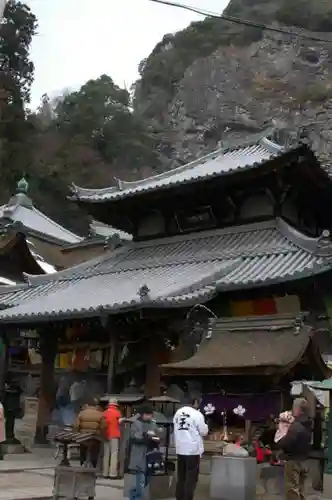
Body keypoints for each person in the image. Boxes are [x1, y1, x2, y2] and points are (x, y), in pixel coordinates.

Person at [173, 397, 209, 500]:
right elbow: (203, 431)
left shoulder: (178, 413)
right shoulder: (197, 414)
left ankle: (179, 497)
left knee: (181, 477)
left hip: (180, 448)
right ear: (196, 403)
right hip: (192, 449)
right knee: (191, 478)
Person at [278, 398, 312, 500]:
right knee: (302, 490)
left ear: (297, 409)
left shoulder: (296, 426)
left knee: (292, 489)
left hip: (294, 461)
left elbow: (287, 443)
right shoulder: (309, 425)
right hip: (305, 460)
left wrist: (280, 442)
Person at [128, 404, 160, 500]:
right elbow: (133, 437)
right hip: (139, 453)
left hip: (150, 453)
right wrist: (144, 435)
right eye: (147, 414)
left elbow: (158, 435)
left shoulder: (153, 424)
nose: (149, 416)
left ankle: (134, 495)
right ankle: (136, 497)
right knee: (140, 477)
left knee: (147, 478)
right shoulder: (136, 423)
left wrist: (156, 439)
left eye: (150, 414)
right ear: (142, 414)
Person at [74, 397, 106, 469]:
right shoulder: (100, 414)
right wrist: (101, 435)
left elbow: (76, 425)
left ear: (87, 405)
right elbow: (103, 426)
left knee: (83, 451)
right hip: (95, 437)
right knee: (94, 453)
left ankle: (82, 465)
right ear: (96, 405)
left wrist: (78, 434)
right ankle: (93, 468)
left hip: (83, 437)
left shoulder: (82, 413)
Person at [103, 398, 122, 478]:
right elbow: (119, 422)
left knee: (106, 454)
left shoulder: (104, 413)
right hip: (114, 435)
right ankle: (113, 474)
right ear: (116, 405)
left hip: (106, 435)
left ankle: (105, 473)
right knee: (114, 454)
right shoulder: (117, 413)